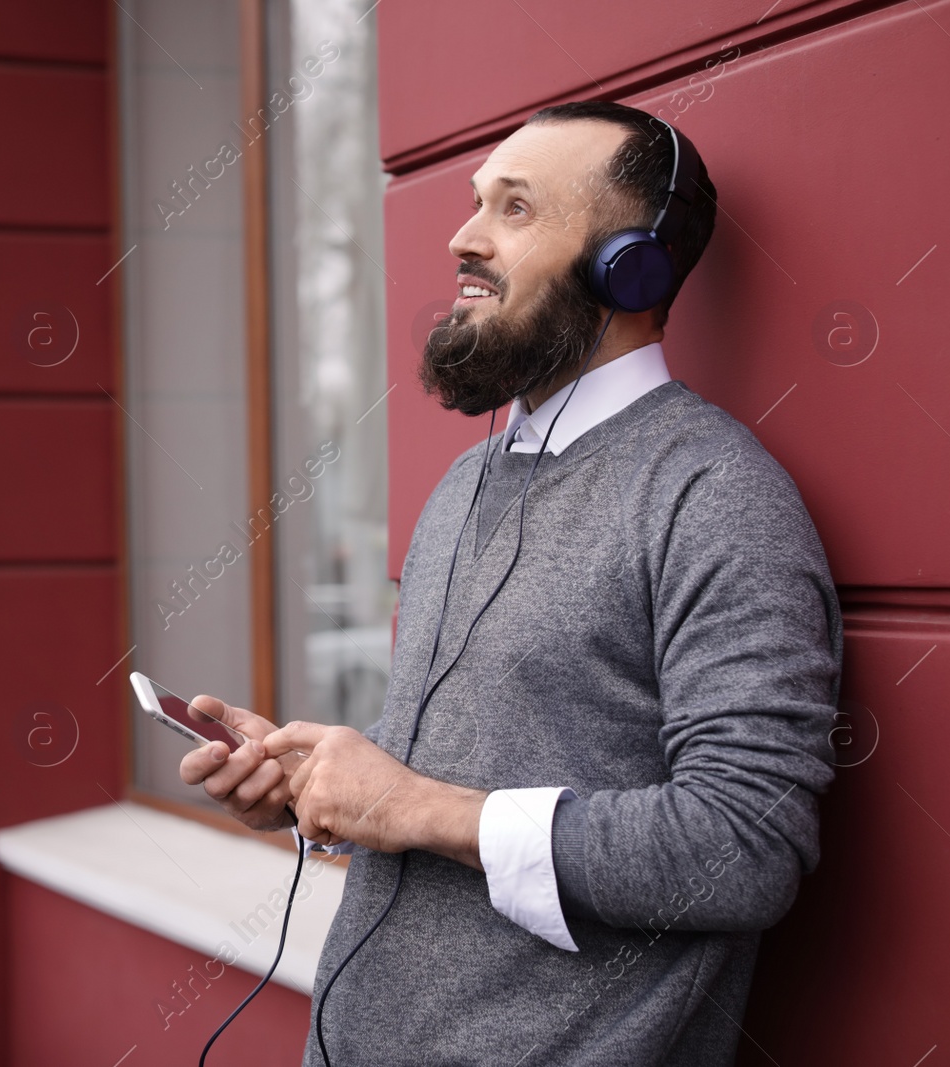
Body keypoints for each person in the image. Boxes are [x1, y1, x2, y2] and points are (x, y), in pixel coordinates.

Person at [178, 100, 842, 1066]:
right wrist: (314, 790)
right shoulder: (468, 481)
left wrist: (413, 806)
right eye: (476, 201)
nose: (462, 236)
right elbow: (460, 784)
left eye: (516, 209)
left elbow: (744, 847)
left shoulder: (715, 494)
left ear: (631, 266)